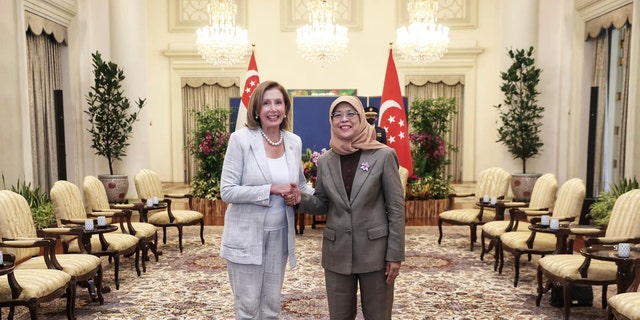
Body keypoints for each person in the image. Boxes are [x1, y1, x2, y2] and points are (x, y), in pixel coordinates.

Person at [287, 96, 405, 319]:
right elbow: (322, 203)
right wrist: (299, 199)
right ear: (331, 120)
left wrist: (395, 254)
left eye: (351, 113)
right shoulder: (326, 160)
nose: (344, 119)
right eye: (337, 114)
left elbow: (396, 209)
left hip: (376, 255)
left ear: (361, 118)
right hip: (337, 255)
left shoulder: (384, 155)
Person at [219, 80, 314, 319]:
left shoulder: (294, 141)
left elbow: (300, 184)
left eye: (278, 102)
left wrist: (305, 194)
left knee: (271, 306)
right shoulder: (240, 140)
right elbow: (227, 191)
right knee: (248, 307)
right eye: (266, 103)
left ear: (286, 108)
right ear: (256, 110)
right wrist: (270, 189)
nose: (273, 109)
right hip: (245, 236)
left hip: (279, 236)